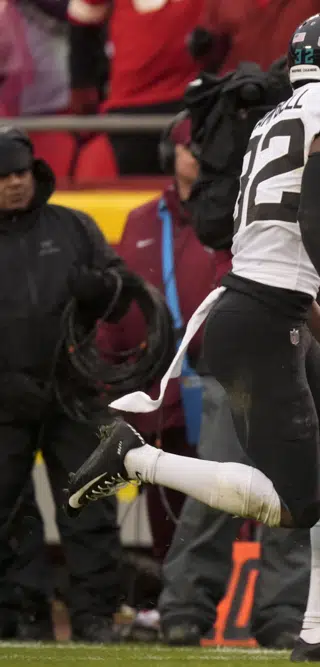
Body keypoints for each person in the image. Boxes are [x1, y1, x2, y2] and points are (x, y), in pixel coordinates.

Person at [63, 10, 320, 663]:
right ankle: (134, 458)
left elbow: (279, 261)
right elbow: (311, 213)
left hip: (269, 311)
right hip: (261, 322)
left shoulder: (283, 112)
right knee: (293, 504)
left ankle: (319, 633)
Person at [0, 126, 129, 642]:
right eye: (3, 176)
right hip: (4, 399)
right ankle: (23, 613)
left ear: (35, 173)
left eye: (20, 174)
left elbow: (124, 292)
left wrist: (102, 291)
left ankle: (95, 616)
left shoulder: (76, 227)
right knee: (7, 512)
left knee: (90, 505)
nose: (13, 184)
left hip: (75, 392)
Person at [100, 111, 210, 561]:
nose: (199, 158)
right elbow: (119, 304)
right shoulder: (142, 220)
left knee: (227, 496)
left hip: (220, 381)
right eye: (191, 148)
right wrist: (112, 372)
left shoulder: (237, 215)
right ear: (170, 153)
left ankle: (222, 604)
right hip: (159, 384)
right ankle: (173, 601)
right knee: (163, 498)